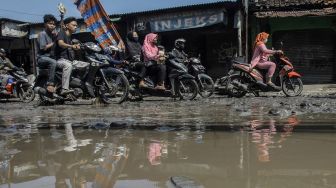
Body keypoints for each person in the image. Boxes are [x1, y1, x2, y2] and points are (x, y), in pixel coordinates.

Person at [55, 17, 80, 96]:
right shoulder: (62, 33)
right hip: (60, 60)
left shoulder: (70, 37)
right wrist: (72, 46)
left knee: (86, 65)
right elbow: (60, 43)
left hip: (69, 60)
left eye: (76, 26)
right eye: (74, 25)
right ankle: (64, 89)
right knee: (68, 66)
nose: (76, 27)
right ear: (67, 26)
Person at [37, 14, 58, 93]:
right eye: (50, 24)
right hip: (42, 58)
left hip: (50, 57)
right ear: (45, 24)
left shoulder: (53, 35)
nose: (52, 25)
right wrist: (54, 42)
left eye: (54, 24)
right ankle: (50, 83)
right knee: (53, 62)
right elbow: (43, 47)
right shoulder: (42, 34)